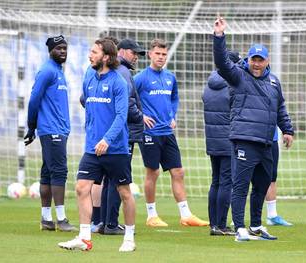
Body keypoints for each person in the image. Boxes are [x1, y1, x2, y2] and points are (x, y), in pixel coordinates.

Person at [213, 16, 295, 242]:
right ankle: (239, 228)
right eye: (253, 59)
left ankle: (257, 226)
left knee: (261, 186)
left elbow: (280, 108)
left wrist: (287, 130)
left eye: (261, 60)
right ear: (248, 59)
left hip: (267, 142)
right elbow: (221, 62)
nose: (256, 63)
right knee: (240, 186)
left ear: (267, 61)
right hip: (244, 139)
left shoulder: (274, 82)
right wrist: (219, 37)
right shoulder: (239, 77)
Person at [58, 38, 136, 252]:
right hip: (92, 147)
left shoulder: (119, 82)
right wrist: (93, 131)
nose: (89, 55)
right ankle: (84, 237)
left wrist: (106, 139)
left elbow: (122, 116)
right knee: (82, 187)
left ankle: (129, 238)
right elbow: (86, 102)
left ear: (107, 57)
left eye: (94, 52)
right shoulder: (88, 76)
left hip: (116, 148)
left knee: (124, 192)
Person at [134, 38, 208, 227]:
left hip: (167, 131)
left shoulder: (170, 77)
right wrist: (140, 116)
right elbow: (127, 98)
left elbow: (174, 98)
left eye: (164, 54)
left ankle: (186, 215)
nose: (161, 57)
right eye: (157, 54)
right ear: (150, 54)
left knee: (178, 171)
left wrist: (172, 115)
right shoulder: (141, 78)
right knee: (153, 172)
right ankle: (152, 215)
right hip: (149, 133)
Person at [24, 35, 76, 232]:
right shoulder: (47, 71)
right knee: (59, 172)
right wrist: (31, 126)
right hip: (52, 130)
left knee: (47, 173)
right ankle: (61, 219)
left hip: (58, 130)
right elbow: (33, 99)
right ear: (50, 51)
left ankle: (46, 220)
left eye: (65, 48)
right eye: (58, 48)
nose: (62, 51)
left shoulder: (58, 71)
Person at [96, 38, 146, 235]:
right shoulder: (123, 72)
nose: (136, 57)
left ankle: (105, 222)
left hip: (111, 132)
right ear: (122, 51)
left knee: (110, 180)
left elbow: (85, 99)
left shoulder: (113, 71)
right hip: (123, 134)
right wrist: (141, 117)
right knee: (119, 182)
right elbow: (128, 105)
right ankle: (111, 224)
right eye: (134, 53)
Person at [202, 50, 241, 236]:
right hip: (228, 139)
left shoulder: (209, 85)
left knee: (215, 181)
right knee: (227, 182)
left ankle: (213, 224)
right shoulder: (231, 85)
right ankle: (222, 225)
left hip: (212, 139)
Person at [265, 128, 293, 226]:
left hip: (271, 139)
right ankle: (237, 218)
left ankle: (272, 216)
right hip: (248, 139)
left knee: (271, 177)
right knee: (244, 177)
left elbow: (280, 113)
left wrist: (287, 131)